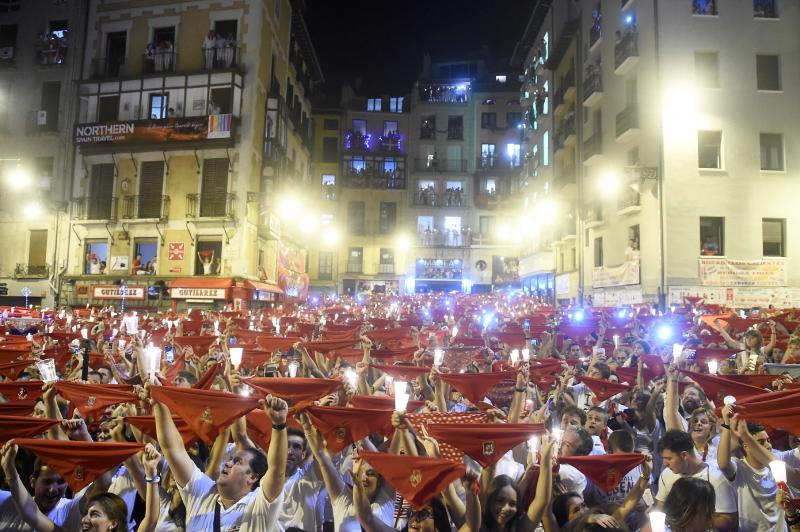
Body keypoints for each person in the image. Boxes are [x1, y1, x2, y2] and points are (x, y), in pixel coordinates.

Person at [718, 407, 786, 531]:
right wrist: (726, 424)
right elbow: (723, 464)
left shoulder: (776, 465)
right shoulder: (739, 467)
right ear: (746, 446)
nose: (768, 445)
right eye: (761, 442)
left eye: (768, 440)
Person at [655, 429, 738, 531]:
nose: (665, 463)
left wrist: (692, 522)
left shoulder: (716, 477)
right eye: (664, 458)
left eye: (669, 458)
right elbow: (661, 507)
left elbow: (729, 520)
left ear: (684, 455)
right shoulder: (666, 474)